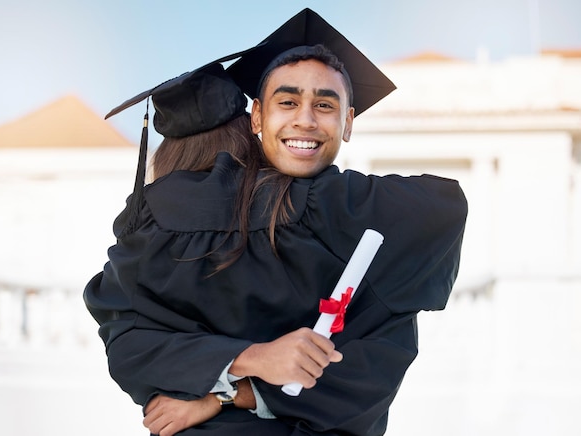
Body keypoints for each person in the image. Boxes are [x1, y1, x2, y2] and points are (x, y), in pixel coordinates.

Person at [84, 8, 468, 436]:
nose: (305, 118)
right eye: (288, 102)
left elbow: (130, 342)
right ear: (256, 118)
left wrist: (227, 390)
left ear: (348, 122)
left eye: (324, 105)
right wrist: (255, 358)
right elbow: (371, 370)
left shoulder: (162, 212)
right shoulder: (352, 208)